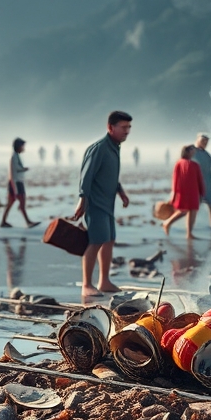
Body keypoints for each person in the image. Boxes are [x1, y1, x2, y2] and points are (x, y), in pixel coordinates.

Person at [72, 111, 132, 298]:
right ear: (110, 127)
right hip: (95, 203)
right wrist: (82, 198)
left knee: (109, 240)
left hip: (108, 204)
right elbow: (86, 175)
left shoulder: (115, 147)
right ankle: (86, 284)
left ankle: (104, 281)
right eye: (123, 127)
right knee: (96, 241)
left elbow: (110, 175)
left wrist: (120, 192)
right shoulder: (99, 148)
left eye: (129, 128)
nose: (127, 131)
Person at [163, 145, 205, 239]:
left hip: (191, 191)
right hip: (185, 191)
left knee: (191, 211)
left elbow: (199, 180)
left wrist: (201, 192)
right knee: (184, 211)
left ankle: (189, 233)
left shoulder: (191, 164)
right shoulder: (185, 164)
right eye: (193, 150)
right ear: (188, 151)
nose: (194, 152)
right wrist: (174, 193)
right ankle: (167, 223)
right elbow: (175, 179)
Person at [1, 138, 39, 229]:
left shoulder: (16, 156)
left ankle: (4, 221)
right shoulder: (13, 157)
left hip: (17, 182)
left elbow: (17, 169)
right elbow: (13, 172)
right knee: (19, 202)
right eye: (22, 146)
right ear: (18, 146)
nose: (23, 148)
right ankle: (27, 222)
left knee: (12, 203)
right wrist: (15, 188)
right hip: (15, 183)